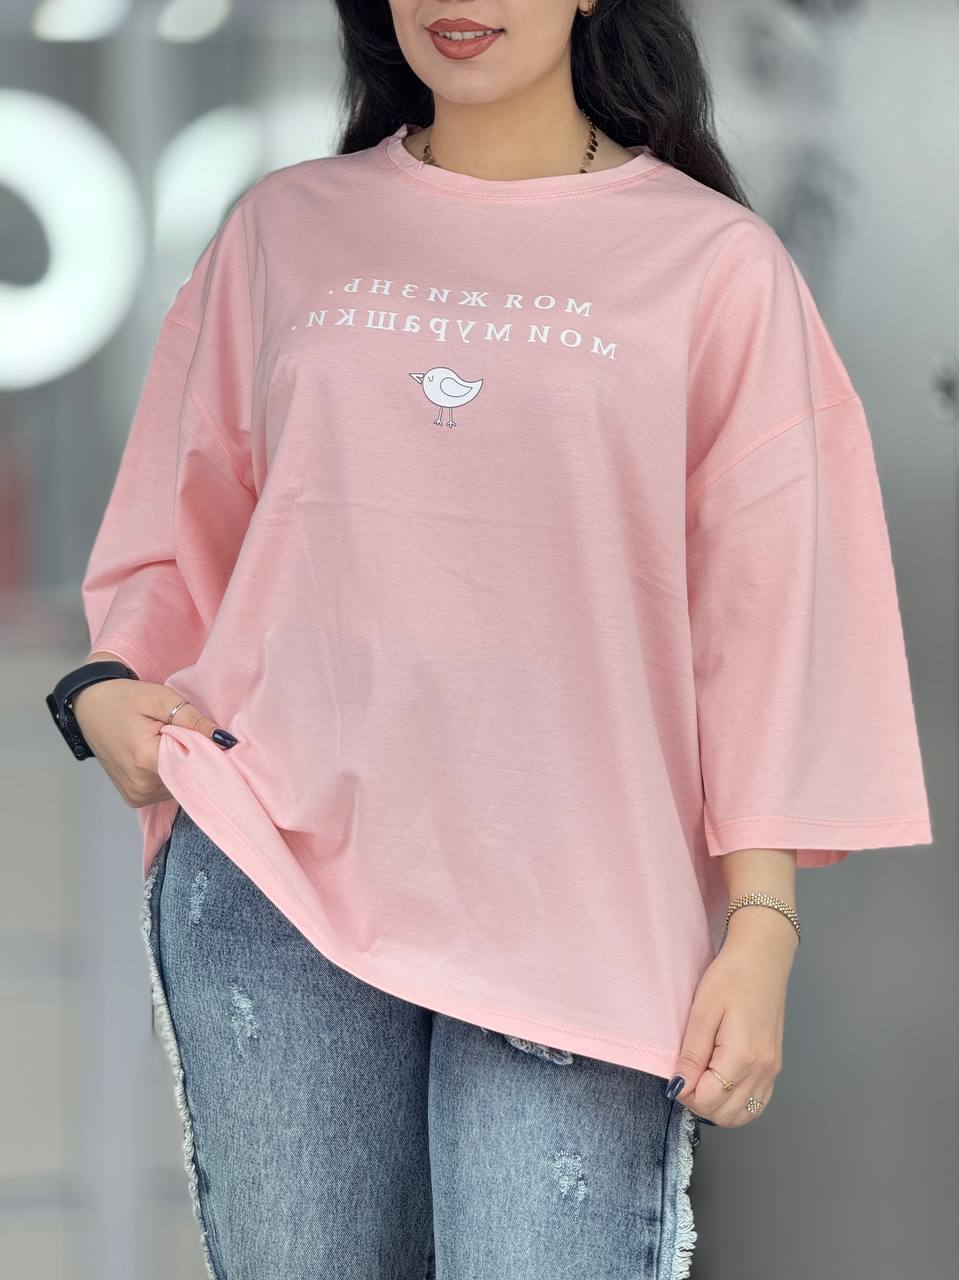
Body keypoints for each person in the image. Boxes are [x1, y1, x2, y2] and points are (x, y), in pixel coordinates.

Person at [45, 2, 933, 1277]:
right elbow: (177, 519)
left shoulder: (713, 264)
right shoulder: (284, 228)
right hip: (277, 876)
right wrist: (107, 688)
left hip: (581, 901)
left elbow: (770, 609)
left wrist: (760, 922)